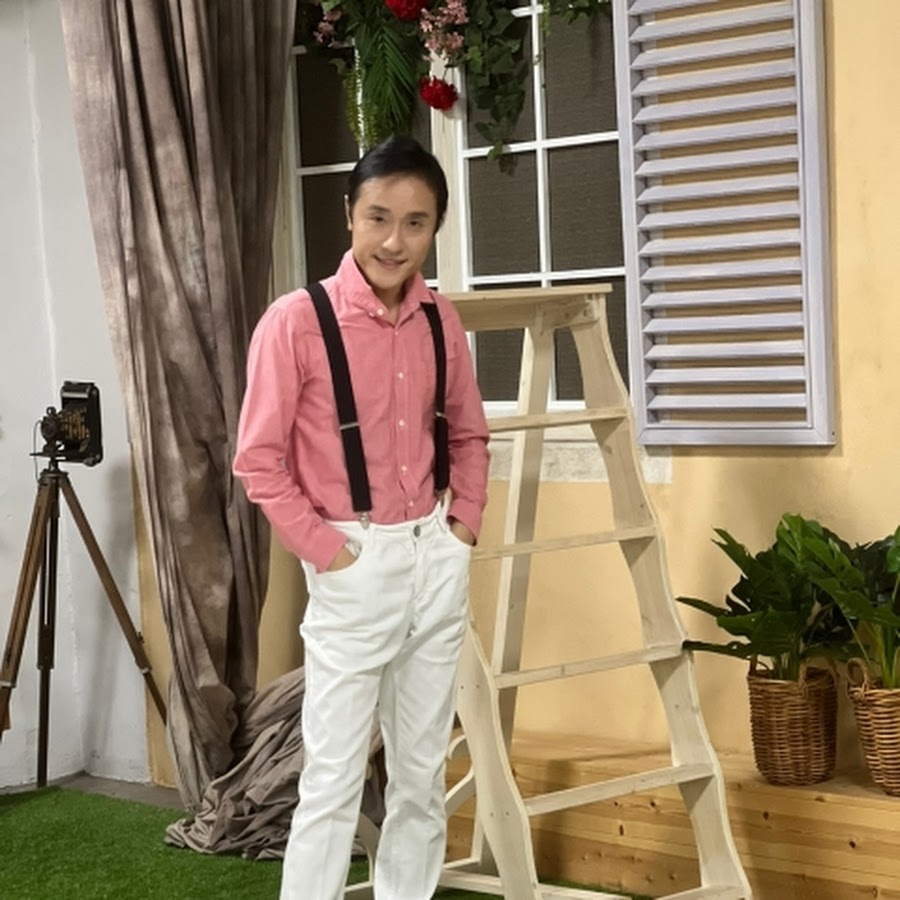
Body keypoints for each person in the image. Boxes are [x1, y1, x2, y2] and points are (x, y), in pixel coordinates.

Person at [233, 135, 490, 900]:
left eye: (416, 222)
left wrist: (462, 529)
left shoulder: (441, 320)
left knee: (420, 776)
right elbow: (258, 462)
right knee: (333, 780)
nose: (393, 241)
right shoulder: (295, 322)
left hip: (434, 557)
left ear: (435, 227)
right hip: (353, 561)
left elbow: (469, 435)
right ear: (349, 213)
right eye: (378, 217)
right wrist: (330, 554)